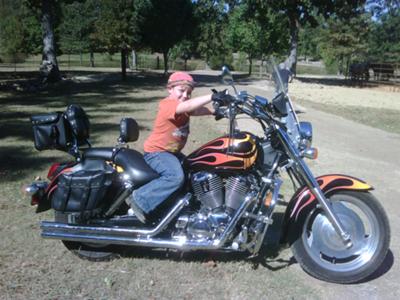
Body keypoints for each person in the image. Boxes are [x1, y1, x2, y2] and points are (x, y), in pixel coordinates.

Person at [126, 71, 221, 223]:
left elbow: (195, 109)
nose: (185, 95)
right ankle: (140, 199)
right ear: (170, 89)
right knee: (175, 177)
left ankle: (180, 205)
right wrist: (212, 97)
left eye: (188, 93)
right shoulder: (168, 104)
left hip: (172, 153)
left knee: (195, 168)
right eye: (181, 91)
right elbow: (189, 105)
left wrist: (215, 111)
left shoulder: (184, 107)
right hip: (157, 152)